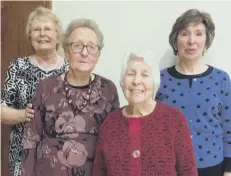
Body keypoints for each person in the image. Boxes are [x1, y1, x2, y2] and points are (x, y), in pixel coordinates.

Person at [21, 18, 120, 176]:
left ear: (98, 55)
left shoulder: (108, 89)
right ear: (66, 52)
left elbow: (115, 141)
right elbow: (31, 138)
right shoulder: (46, 86)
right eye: (77, 46)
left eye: (91, 47)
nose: (84, 52)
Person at [92, 49, 197, 176]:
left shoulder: (174, 119)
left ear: (154, 82)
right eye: (130, 74)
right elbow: (99, 171)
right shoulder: (110, 123)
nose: (136, 81)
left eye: (145, 75)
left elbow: (188, 171)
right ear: (122, 81)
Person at [156, 9, 231, 176]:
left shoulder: (221, 79)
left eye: (198, 34)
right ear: (175, 40)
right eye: (184, 34)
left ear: (207, 41)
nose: (191, 41)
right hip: (169, 167)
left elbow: (229, 127)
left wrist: (228, 170)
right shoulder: (159, 79)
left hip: (213, 167)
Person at [1, 6, 68, 176]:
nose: (42, 34)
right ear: (30, 35)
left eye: (47, 29)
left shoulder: (70, 69)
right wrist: (24, 115)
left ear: (57, 35)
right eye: (36, 29)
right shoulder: (18, 66)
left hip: (62, 153)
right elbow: (1, 110)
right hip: (23, 153)